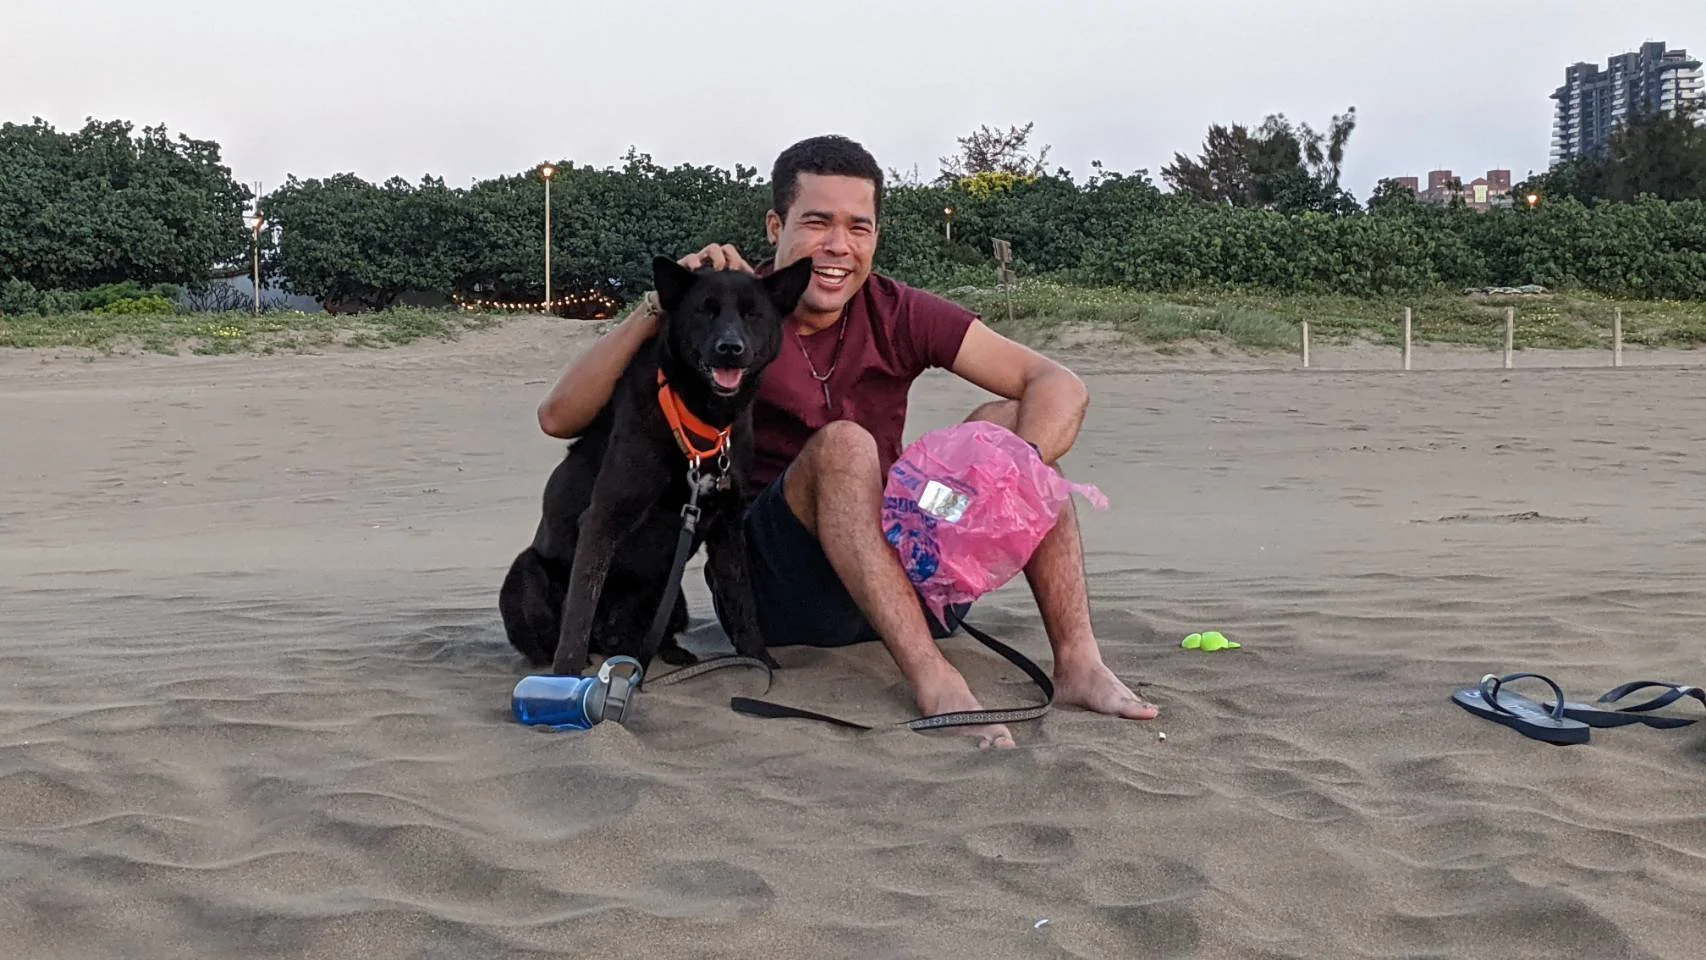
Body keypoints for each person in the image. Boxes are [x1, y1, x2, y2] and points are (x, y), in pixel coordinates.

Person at [536, 134, 1157, 748]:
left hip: (905, 567)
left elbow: (1056, 383)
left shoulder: (896, 309)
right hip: (784, 591)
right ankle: (932, 678)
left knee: (1005, 424)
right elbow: (559, 417)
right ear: (775, 225)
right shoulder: (726, 310)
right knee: (845, 446)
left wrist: (1006, 482)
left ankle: (1078, 662)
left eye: (859, 227)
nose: (839, 246)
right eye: (817, 222)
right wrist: (658, 306)